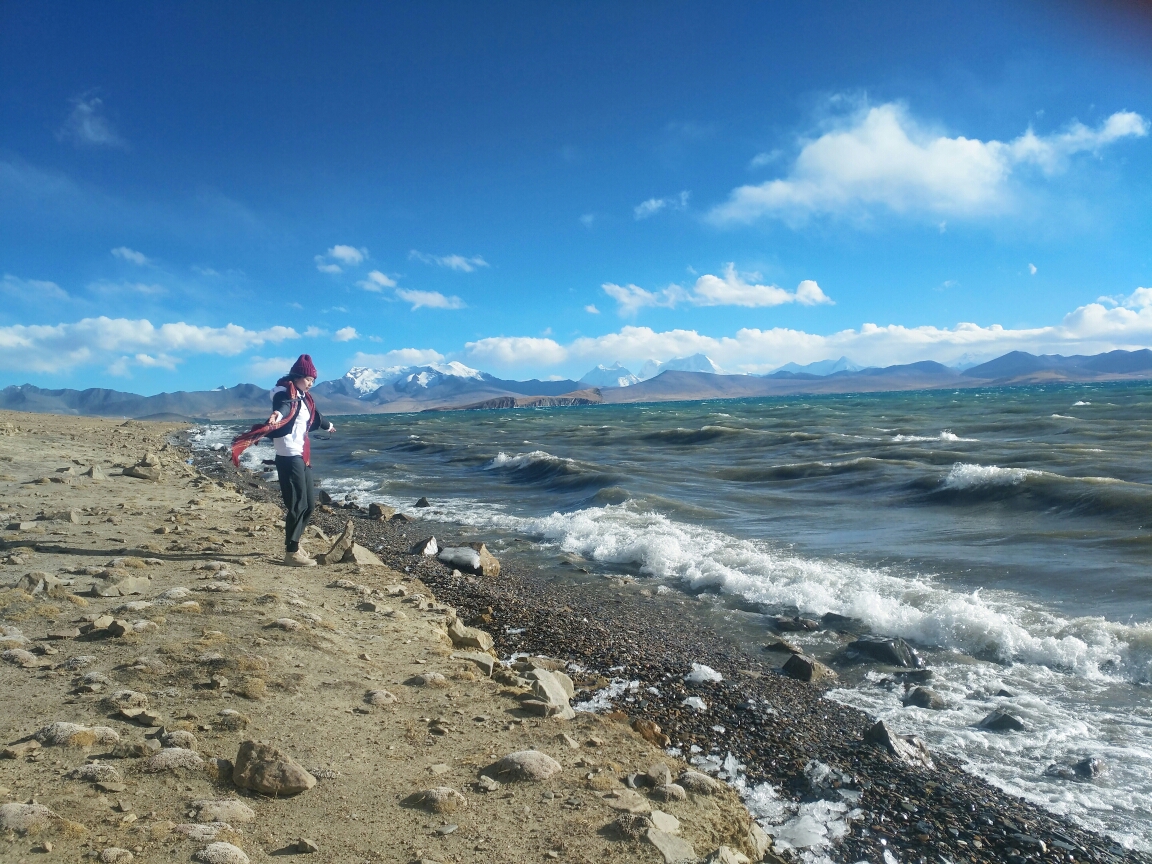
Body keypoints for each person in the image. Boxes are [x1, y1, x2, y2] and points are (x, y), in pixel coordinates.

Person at [230, 354, 335, 566]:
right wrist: (277, 414)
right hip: (288, 454)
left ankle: (294, 541)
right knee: (297, 504)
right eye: (308, 379)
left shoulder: (304, 398)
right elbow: (284, 406)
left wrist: (328, 425)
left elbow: (316, 416)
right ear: (297, 376)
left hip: (301, 455)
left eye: (313, 380)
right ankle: (291, 552)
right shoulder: (284, 392)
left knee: (309, 506)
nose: (311, 383)